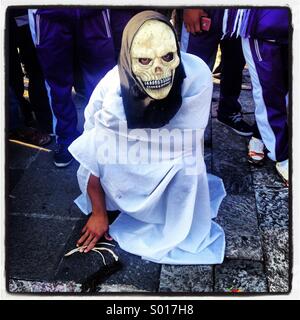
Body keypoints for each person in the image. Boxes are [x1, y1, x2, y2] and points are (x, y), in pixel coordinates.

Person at [68, 11, 226, 264]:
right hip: (124, 169)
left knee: (188, 167)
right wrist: (99, 211)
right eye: (144, 60)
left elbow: (189, 144)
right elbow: (92, 147)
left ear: (177, 52)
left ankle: (173, 207)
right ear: (129, 59)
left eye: (167, 57)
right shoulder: (111, 89)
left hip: (173, 163)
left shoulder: (196, 76)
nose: (157, 69)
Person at [28, 8, 116, 167]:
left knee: (103, 80)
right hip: (48, 13)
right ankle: (65, 139)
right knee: (57, 83)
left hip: (93, 11)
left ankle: (103, 138)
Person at [224, 8, 289, 184]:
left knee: (286, 90)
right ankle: (282, 156)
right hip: (264, 28)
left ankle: (261, 134)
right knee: (269, 93)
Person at [181, 8, 253, 136]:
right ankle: (184, 120)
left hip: (239, 15)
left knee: (235, 66)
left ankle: (228, 111)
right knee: (192, 70)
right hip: (205, 10)